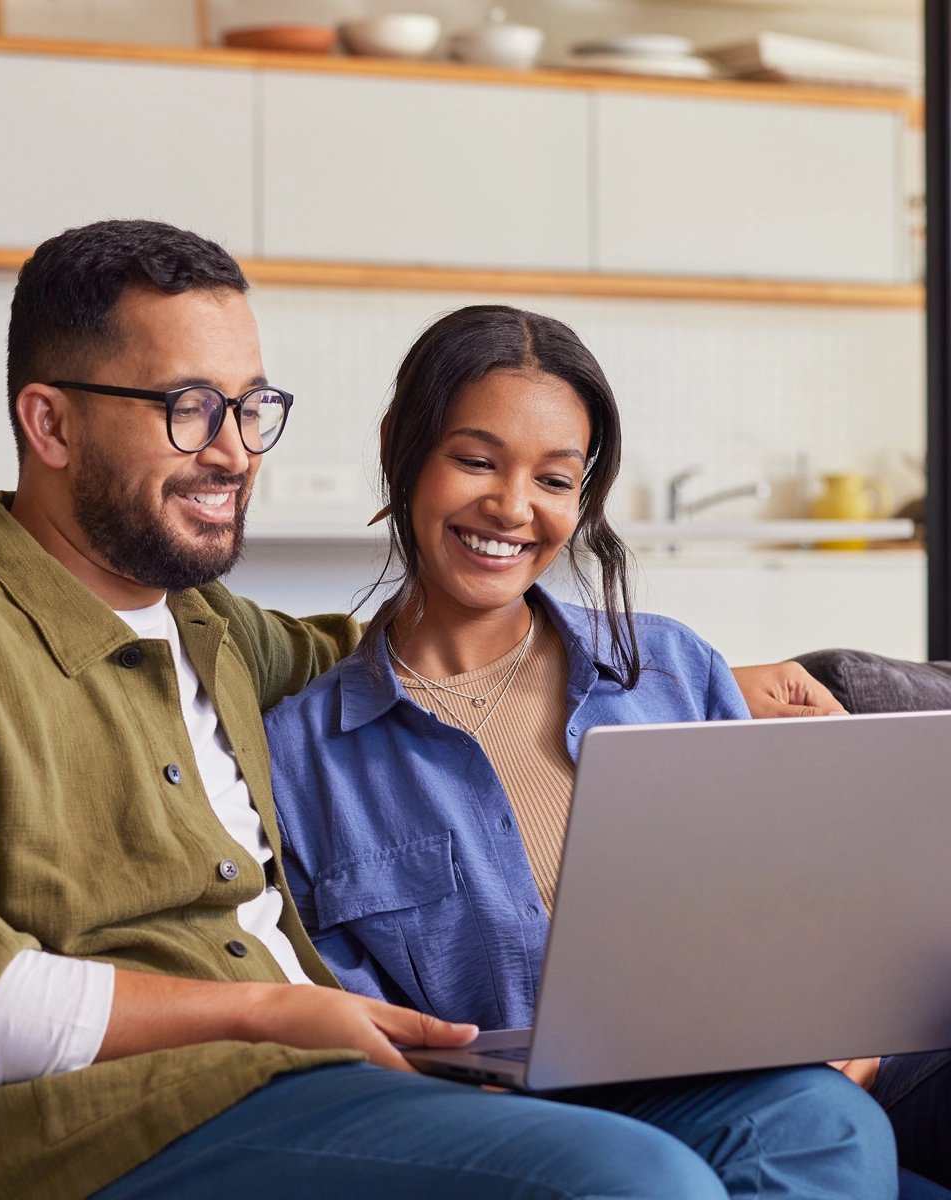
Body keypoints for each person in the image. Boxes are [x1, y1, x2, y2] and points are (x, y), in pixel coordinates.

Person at [0, 219, 858, 1200]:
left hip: (330, 1088)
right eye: (189, 410)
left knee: (817, 1129)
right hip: (106, 1134)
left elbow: (416, 651)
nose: (234, 451)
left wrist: (668, 674)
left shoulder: (212, 632)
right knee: (631, 1181)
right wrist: (260, 1010)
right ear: (49, 423)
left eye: (250, 409)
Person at [264, 304, 905, 1200]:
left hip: (711, 1085)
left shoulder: (671, 670)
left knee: (826, 1122)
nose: (512, 508)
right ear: (402, 449)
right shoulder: (301, 756)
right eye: (476, 460)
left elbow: (791, 910)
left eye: (554, 479)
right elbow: (359, 1031)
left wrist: (847, 1026)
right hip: (488, 1129)